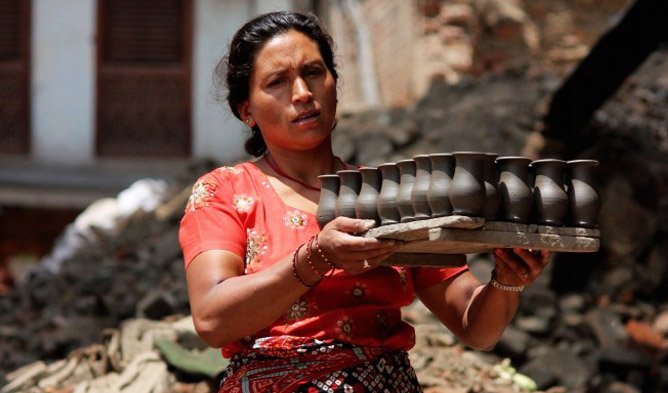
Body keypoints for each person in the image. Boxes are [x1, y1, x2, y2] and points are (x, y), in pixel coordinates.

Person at [179, 11, 550, 393]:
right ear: (246, 111)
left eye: (314, 72)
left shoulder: (391, 195)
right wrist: (315, 258)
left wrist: (507, 282)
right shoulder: (226, 192)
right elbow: (212, 320)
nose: (303, 93)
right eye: (277, 82)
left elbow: (475, 327)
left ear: (335, 83)